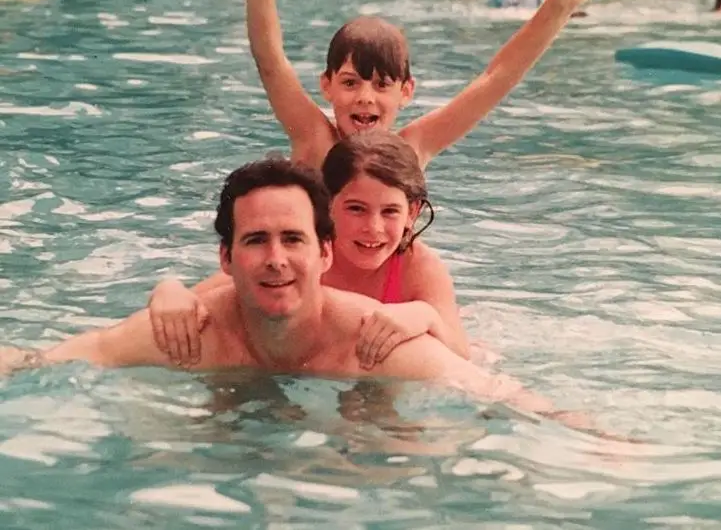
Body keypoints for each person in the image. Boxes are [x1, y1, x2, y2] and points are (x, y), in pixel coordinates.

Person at [0, 156, 608, 437]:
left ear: (325, 253)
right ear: (226, 260)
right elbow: (51, 361)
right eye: (255, 241)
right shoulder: (192, 328)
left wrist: (603, 442)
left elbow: (501, 396)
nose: (275, 259)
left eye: (293, 239)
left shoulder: (372, 339)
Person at [234, 0, 619, 172]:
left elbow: (498, 76)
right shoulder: (313, 140)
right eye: (351, 83)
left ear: (407, 92)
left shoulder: (415, 147)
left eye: (382, 84)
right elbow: (270, 60)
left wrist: (561, 4)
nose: (365, 98)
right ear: (326, 86)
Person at [149, 131, 469, 368]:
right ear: (326, 206)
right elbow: (209, 296)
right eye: (356, 209)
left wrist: (427, 316)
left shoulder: (417, 266)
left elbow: (462, 360)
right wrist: (168, 289)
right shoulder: (304, 257)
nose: (373, 228)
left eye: (390, 212)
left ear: (412, 214)